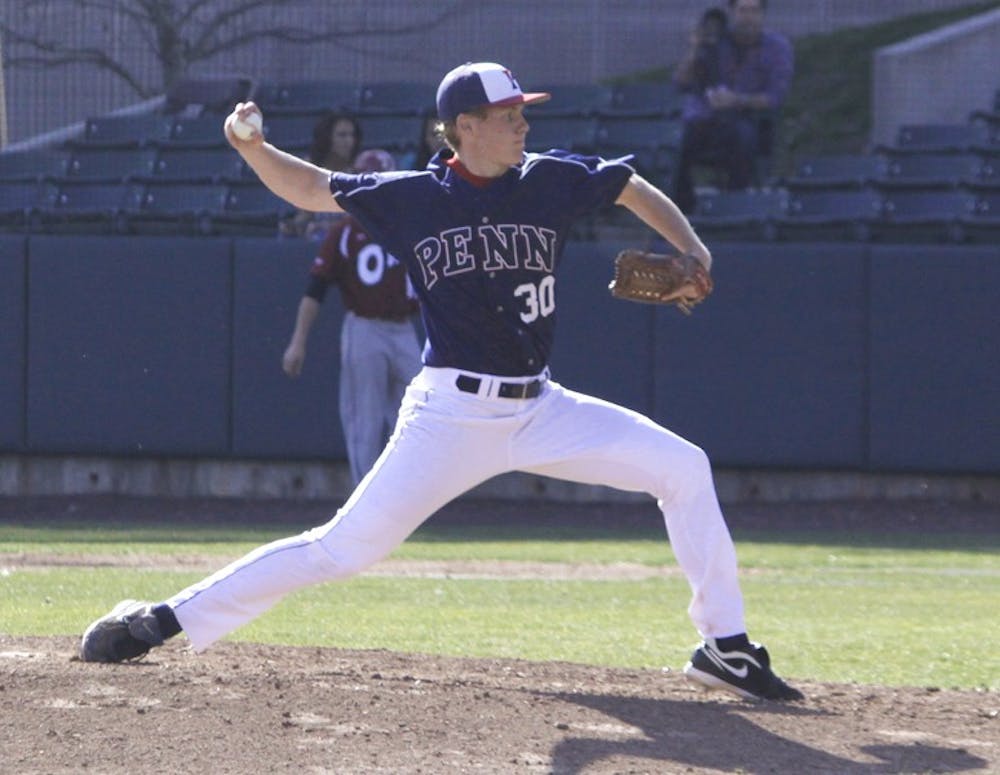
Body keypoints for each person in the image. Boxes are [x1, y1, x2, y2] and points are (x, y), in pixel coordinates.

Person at [80, 61, 803, 702]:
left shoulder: (547, 179)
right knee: (342, 549)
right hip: (450, 416)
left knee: (683, 466)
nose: (523, 122)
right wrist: (250, 146)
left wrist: (694, 247)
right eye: (508, 114)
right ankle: (159, 619)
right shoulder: (413, 196)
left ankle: (725, 647)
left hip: (541, 406)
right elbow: (308, 188)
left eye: (523, 111)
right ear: (464, 126)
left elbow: (630, 185)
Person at [282, 147, 422, 486]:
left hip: (405, 329)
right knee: (365, 418)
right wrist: (297, 342)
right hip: (365, 327)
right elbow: (316, 288)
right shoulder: (345, 232)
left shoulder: (413, 226)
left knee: (422, 412)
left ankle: (408, 492)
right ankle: (366, 498)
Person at [671, 0, 794, 214]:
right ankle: (682, 210)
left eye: (754, 11)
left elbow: (775, 97)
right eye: (742, 11)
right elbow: (681, 82)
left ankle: (735, 207)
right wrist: (695, 48)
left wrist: (736, 100)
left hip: (751, 120)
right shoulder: (717, 43)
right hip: (709, 120)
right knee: (678, 141)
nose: (748, 17)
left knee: (742, 137)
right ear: (733, 13)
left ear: (762, 14)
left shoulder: (777, 47)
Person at [279, 112, 362, 239]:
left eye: (352, 135)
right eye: (342, 135)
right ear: (327, 138)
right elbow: (304, 216)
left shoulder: (359, 171)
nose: (349, 141)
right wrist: (295, 226)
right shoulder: (310, 170)